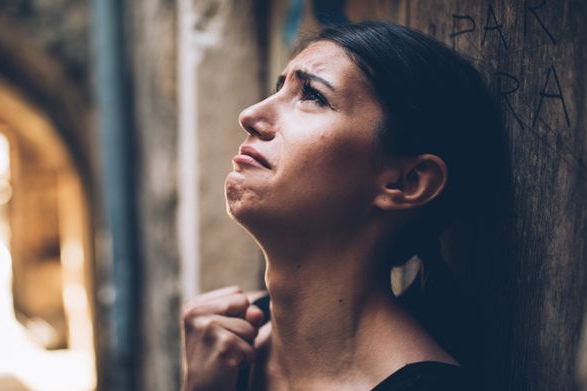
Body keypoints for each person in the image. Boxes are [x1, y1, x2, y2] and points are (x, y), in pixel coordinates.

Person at [181, 21, 503, 390]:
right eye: (278, 89)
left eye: (312, 96)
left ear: (407, 182)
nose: (250, 115)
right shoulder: (227, 347)